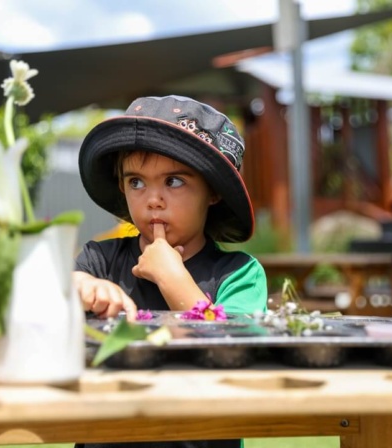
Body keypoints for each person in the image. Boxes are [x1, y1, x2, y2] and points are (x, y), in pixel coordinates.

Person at [73, 95, 268, 448]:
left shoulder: (239, 273)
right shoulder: (98, 261)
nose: (153, 199)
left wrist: (172, 277)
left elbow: (236, 355)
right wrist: (80, 286)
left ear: (213, 193)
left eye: (174, 182)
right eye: (136, 182)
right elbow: (51, 302)